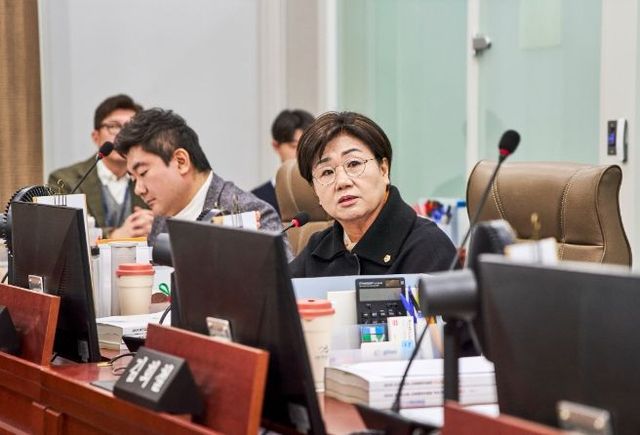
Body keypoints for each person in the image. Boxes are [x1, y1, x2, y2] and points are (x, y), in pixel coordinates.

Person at [289, 111, 456, 277]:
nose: (342, 182)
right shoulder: (316, 251)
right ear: (315, 191)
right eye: (326, 172)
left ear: (383, 170)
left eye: (354, 164)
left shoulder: (428, 246)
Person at [114, 108, 283, 246]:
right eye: (133, 179)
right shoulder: (161, 219)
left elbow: (282, 277)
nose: (138, 190)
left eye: (143, 172)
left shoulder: (250, 214)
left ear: (181, 161)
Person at [48, 94, 154, 239]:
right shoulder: (64, 180)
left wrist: (154, 225)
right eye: (113, 127)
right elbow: (61, 231)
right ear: (96, 137)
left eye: (130, 127)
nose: (122, 135)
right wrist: (113, 235)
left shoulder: (151, 179)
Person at [251, 109, 314, 215]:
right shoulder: (256, 200)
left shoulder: (324, 192)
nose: (301, 153)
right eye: (294, 146)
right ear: (276, 146)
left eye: (307, 146)